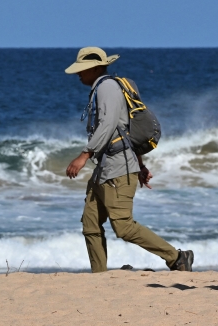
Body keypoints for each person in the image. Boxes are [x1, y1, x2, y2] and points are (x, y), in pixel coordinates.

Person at [64, 47, 193, 273]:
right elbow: (127, 131)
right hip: (106, 169)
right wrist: (140, 165)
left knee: (123, 226)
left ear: (94, 68)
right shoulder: (107, 88)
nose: (78, 75)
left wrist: (84, 155)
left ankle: (176, 257)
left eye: (81, 70)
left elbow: (108, 125)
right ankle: (99, 275)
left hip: (117, 170)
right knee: (90, 224)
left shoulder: (107, 88)